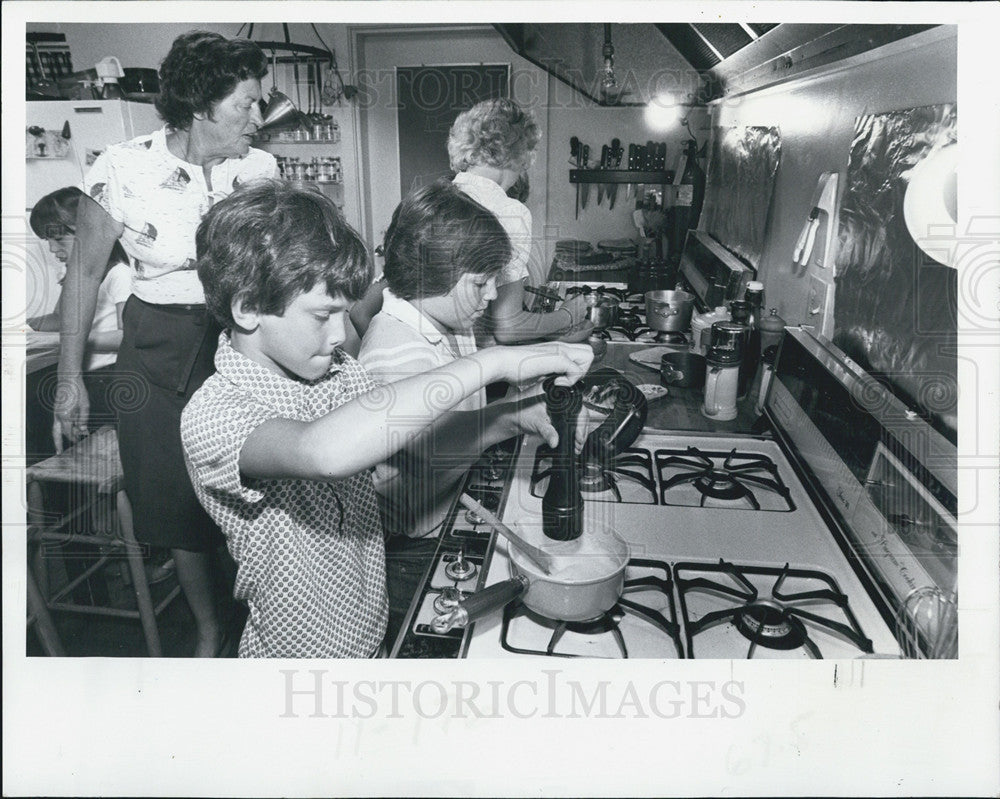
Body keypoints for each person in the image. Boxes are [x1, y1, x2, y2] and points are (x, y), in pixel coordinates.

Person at [180, 180, 593, 658]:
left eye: (344, 313)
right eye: (323, 315)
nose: (341, 334)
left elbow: (405, 427)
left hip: (369, 634)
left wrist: (518, 412)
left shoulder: (338, 373)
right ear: (248, 308)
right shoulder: (214, 415)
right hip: (300, 663)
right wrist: (493, 362)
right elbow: (321, 451)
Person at [53, 31, 279, 657]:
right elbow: (83, 279)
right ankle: (208, 629)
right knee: (173, 498)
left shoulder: (259, 169)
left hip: (242, 344)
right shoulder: (122, 168)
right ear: (202, 106)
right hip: (156, 348)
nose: (258, 118)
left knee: (252, 484)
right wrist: (69, 379)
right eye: (247, 105)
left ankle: (263, 614)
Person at [350, 98, 593, 345]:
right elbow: (509, 327)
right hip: (472, 369)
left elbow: (360, 312)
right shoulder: (510, 211)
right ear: (519, 156)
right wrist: (567, 315)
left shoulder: (431, 200)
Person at [28, 186, 130, 430]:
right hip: (84, 375)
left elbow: (127, 337)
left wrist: (65, 340)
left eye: (59, 239)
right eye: (47, 241)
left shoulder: (120, 275)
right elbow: (58, 318)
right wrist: (23, 325)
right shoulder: (74, 279)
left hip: (108, 378)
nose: (52, 250)